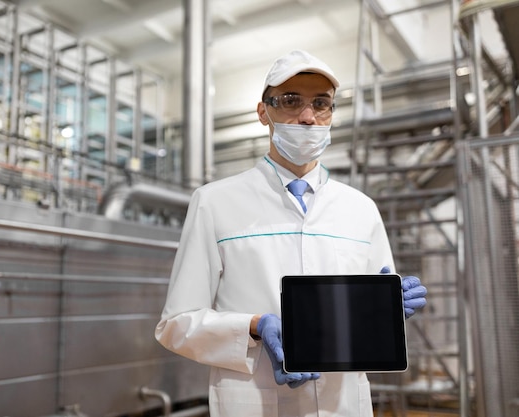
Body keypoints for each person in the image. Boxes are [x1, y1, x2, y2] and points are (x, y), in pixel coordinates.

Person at [154, 50, 427, 417]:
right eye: (290, 101)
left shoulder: (361, 209)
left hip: (342, 404)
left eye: (321, 103)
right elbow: (176, 324)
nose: (308, 116)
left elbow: (368, 324)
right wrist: (253, 327)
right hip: (256, 402)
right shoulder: (214, 202)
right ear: (263, 112)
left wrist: (386, 315)